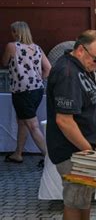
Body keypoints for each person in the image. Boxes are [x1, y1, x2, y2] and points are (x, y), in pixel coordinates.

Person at [46, 30, 96, 220]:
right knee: (75, 203)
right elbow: (64, 120)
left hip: (83, 150)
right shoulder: (67, 72)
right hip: (74, 152)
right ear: (81, 50)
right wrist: (90, 152)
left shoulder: (81, 66)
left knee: (83, 201)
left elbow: (80, 104)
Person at [1, 21, 51, 164]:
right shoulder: (37, 48)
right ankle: (18, 153)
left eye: (12, 31)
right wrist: (36, 79)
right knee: (23, 121)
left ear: (16, 33)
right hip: (37, 89)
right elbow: (48, 68)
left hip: (22, 91)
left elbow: (4, 62)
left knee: (32, 125)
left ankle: (49, 159)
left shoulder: (12, 46)